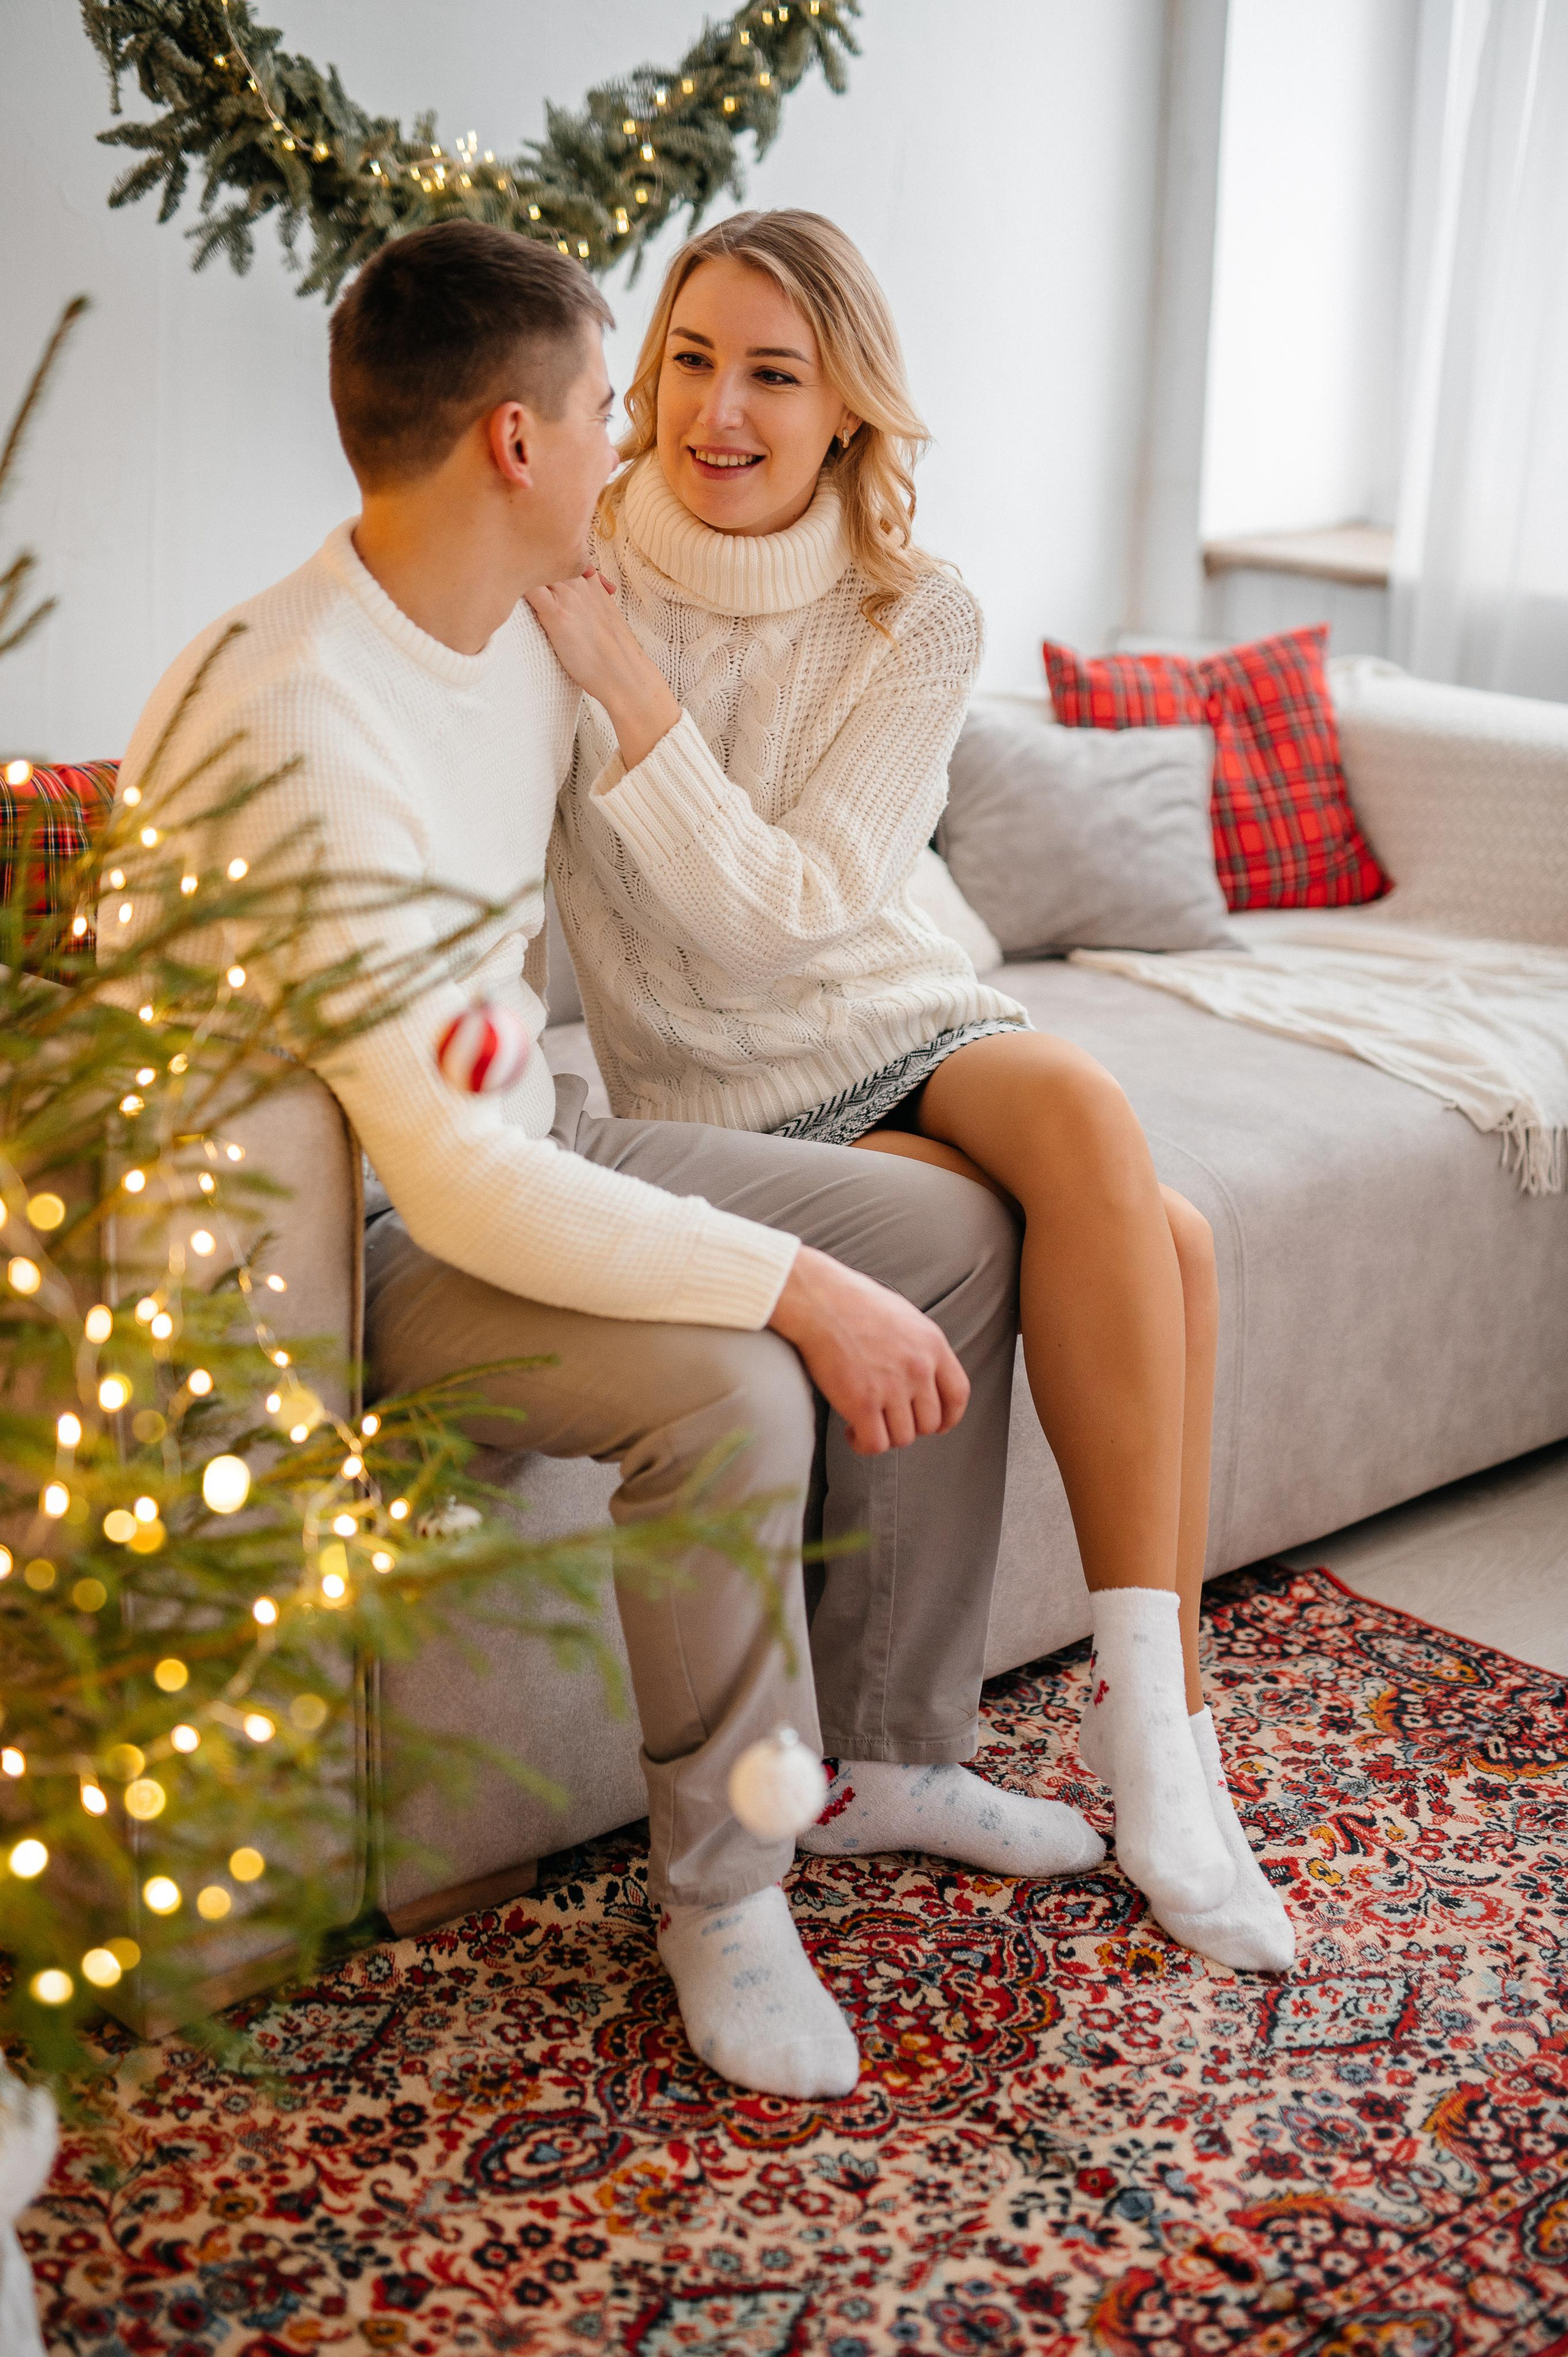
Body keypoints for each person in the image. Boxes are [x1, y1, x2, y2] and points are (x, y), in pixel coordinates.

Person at [113, 221, 1109, 2105]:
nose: (639, 448)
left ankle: (884, 1752)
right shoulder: (301, 708)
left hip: (509, 1133)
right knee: (739, 1378)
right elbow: (468, 1188)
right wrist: (797, 1289)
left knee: (960, 1231)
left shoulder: (516, 632)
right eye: (609, 403)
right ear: (516, 439)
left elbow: (680, 947)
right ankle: (726, 1890)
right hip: (365, 1241)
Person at [535, 208, 1294, 1976]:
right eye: (693, 364)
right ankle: (1045, 1741)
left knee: (1099, 1133)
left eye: (775, 375)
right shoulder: (567, 580)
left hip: (898, 1015)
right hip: (728, 1094)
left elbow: (798, 915)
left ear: (849, 410)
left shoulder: (916, 610)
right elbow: (705, 968)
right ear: (646, 382)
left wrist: (634, 701)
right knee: (1156, 1248)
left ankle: (1155, 1737)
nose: (724, 410)